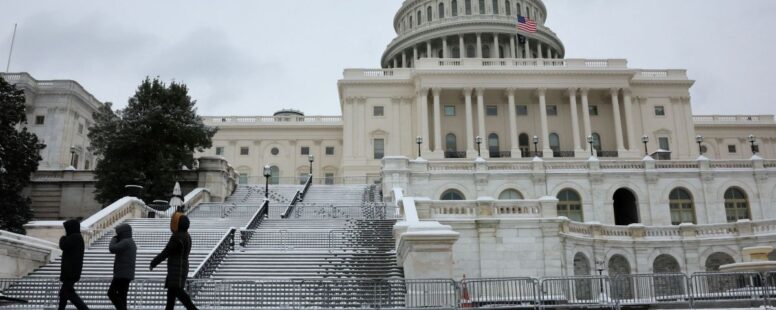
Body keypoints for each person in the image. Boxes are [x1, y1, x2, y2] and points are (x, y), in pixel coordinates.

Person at [150, 213, 198, 310]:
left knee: (179, 293)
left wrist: (154, 262)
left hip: (176, 270)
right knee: (171, 297)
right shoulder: (187, 236)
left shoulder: (177, 237)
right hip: (181, 268)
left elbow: (166, 252)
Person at [58, 219, 89, 310]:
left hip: (70, 272)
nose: (65, 231)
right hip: (71, 271)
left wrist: (62, 238)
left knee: (68, 293)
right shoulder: (77, 237)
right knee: (64, 294)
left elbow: (63, 246)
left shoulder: (74, 237)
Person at [107, 223, 136, 310]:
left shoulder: (126, 242)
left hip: (121, 274)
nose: (117, 235)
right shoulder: (131, 242)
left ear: (122, 233)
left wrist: (114, 239)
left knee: (111, 293)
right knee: (122, 296)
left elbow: (112, 248)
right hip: (127, 274)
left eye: (118, 233)